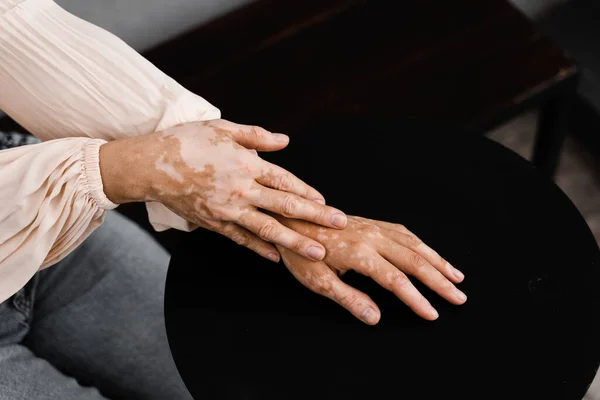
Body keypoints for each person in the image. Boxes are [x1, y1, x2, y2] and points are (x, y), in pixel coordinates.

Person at [0, 0, 466, 398]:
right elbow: (126, 170)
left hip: (48, 237)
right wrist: (127, 170)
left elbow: (12, 27)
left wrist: (292, 217)